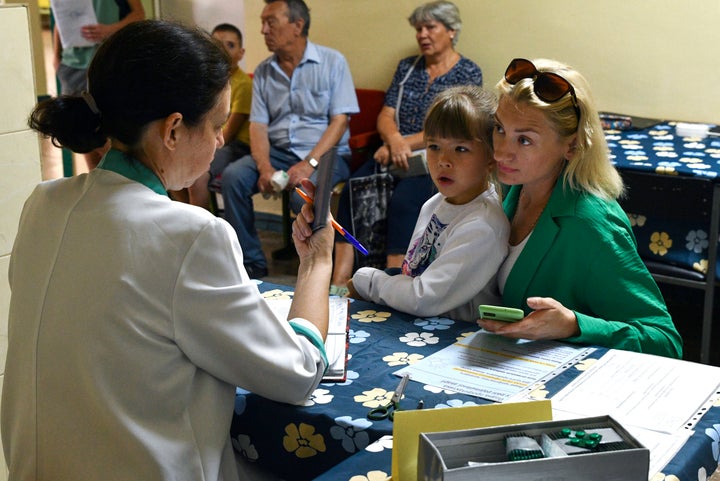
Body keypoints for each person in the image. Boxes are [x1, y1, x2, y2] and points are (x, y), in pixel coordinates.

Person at [2, 20, 335, 480]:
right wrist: (317, 264)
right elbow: (296, 374)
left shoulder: (44, 203)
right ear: (173, 129)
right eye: (217, 125)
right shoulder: (190, 234)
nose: (221, 141)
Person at [477, 57, 682, 358]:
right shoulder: (513, 189)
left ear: (571, 146)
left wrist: (574, 325)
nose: (502, 151)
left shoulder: (591, 223)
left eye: (524, 140)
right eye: (499, 129)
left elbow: (664, 342)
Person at [330, 0, 483, 296]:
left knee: (405, 200)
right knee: (352, 186)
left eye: (430, 27)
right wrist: (392, 141)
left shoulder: (468, 72)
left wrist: (402, 142)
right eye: (418, 29)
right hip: (393, 149)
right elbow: (386, 114)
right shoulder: (407, 67)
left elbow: (454, 129)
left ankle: (395, 280)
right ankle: (340, 279)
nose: (422, 34)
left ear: (451, 31)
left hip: (434, 156)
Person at [221, 0, 359, 279]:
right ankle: (252, 263)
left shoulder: (333, 62)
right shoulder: (263, 72)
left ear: (297, 25)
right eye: (262, 22)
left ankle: (318, 267)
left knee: (304, 195)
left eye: (271, 22)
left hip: (327, 155)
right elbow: (258, 126)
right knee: (233, 177)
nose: (263, 30)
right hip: (279, 153)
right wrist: (264, 167)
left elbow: (340, 121)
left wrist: (309, 163)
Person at [347, 86, 509, 322]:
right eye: (434, 147)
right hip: (418, 320)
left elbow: (423, 297)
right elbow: (412, 272)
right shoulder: (435, 204)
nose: (443, 161)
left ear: (491, 159)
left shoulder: (483, 225)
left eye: (460, 149)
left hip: (454, 338)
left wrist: (368, 280)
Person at [52, 0, 145, 170]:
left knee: (111, 135)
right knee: (85, 133)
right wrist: (56, 57)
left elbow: (139, 15)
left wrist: (109, 30)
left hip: (108, 64)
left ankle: (117, 185)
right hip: (72, 66)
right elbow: (61, 18)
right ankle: (98, 185)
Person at [188, 23, 253, 210]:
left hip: (234, 145)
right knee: (174, 162)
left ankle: (197, 227)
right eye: (216, 44)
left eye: (230, 45)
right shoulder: (207, 80)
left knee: (197, 176)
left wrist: (200, 143)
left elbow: (229, 132)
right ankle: (185, 217)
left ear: (241, 53)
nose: (223, 49)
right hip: (210, 137)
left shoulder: (243, 84)